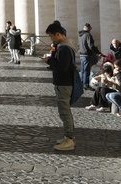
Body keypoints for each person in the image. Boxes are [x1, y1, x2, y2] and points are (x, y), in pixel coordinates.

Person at [42, 22, 77, 151]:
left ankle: (69, 139)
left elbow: (63, 68)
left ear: (58, 34)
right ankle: (68, 136)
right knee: (64, 110)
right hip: (63, 83)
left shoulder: (65, 48)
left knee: (64, 111)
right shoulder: (62, 46)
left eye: (52, 36)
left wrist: (49, 61)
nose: (51, 39)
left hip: (64, 83)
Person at [78, 23, 100, 90]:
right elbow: (91, 46)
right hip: (86, 54)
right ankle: (86, 84)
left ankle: (82, 83)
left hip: (81, 54)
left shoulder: (81, 35)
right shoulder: (88, 35)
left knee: (82, 70)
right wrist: (97, 52)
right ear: (89, 28)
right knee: (86, 70)